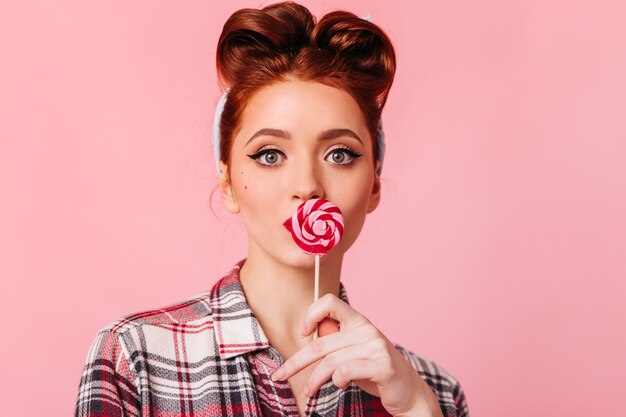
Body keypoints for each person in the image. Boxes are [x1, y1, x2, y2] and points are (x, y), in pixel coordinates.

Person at [74, 2, 469, 417]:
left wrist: (417, 407)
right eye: (269, 155)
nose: (307, 186)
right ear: (227, 183)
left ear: (373, 184)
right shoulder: (137, 360)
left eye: (339, 154)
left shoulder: (433, 390)